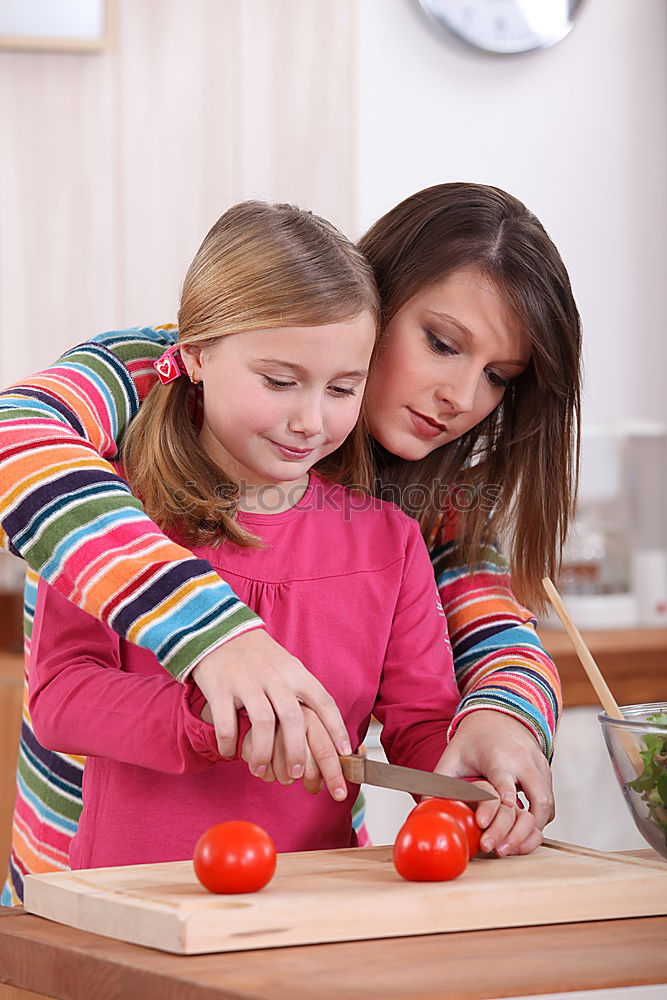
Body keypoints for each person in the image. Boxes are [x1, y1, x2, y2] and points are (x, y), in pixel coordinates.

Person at [0, 182, 580, 902]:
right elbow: (14, 435)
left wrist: (502, 720)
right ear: (376, 299)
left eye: (497, 377)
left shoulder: (417, 517)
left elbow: (486, 628)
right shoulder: (154, 376)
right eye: (440, 343)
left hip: (303, 894)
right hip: (83, 889)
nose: (461, 396)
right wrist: (212, 638)